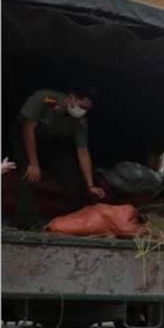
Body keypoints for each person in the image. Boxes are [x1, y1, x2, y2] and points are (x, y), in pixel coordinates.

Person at [11, 85, 105, 228]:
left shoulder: (80, 121)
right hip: (26, 140)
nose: (82, 111)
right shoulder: (44, 99)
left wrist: (90, 185)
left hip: (53, 145)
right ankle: (25, 222)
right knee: (30, 175)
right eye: (81, 106)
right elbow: (28, 129)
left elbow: (83, 151)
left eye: (86, 109)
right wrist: (33, 164)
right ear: (70, 98)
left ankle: (77, 220)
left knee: (73, 177)